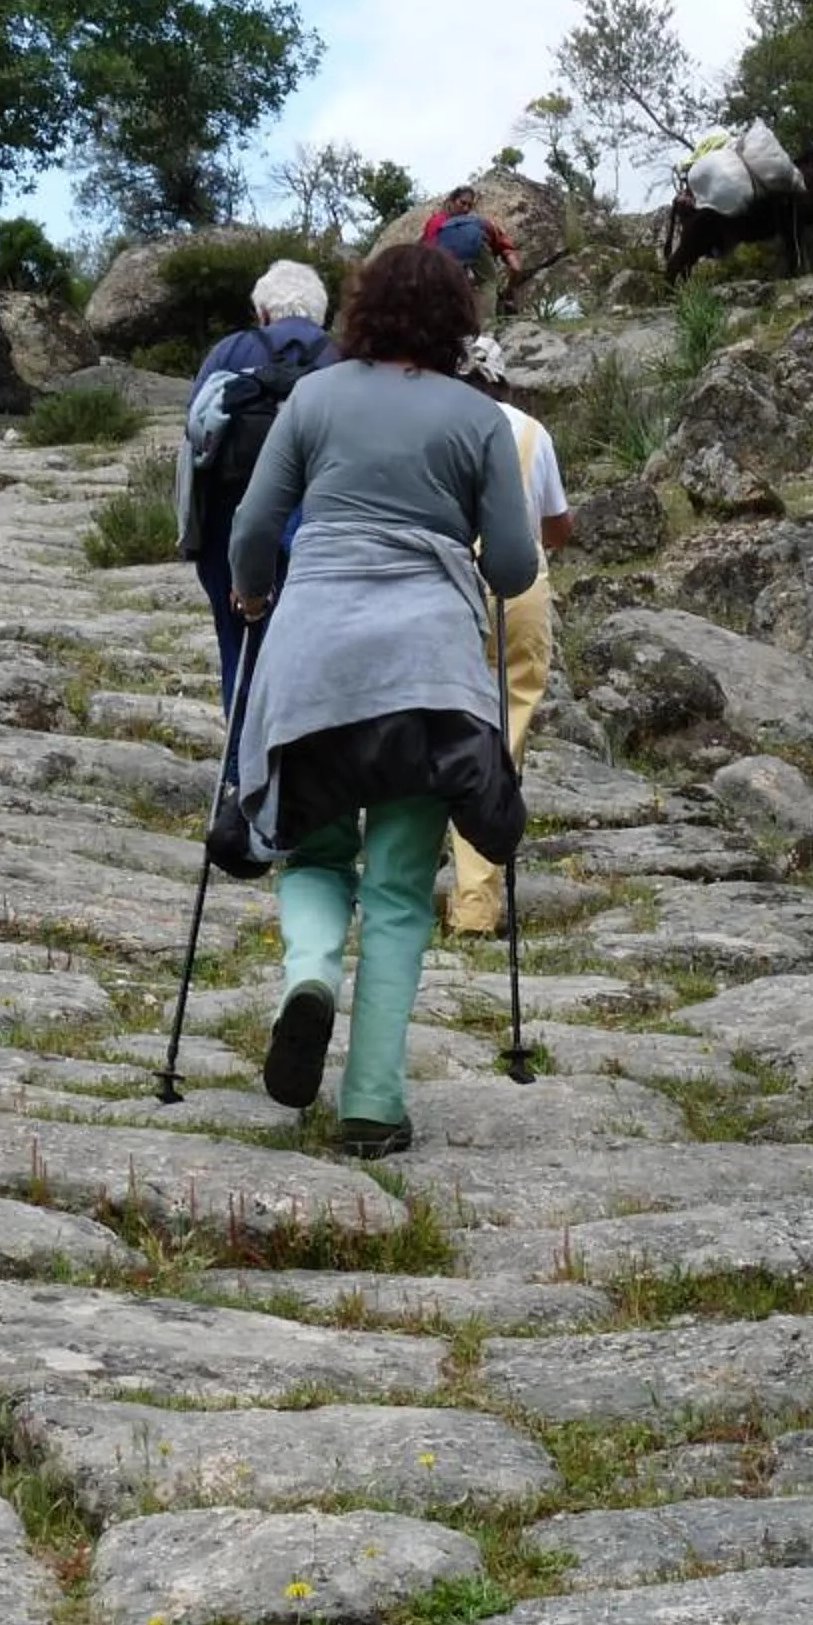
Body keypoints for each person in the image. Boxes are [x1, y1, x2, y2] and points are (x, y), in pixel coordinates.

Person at [224, 244, 540, 1159]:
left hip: (314, 661)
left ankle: (310, 977)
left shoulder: (314, 398)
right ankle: (371, 1102)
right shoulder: (477, 417)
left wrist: (252, 594)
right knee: (400, 892)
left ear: (360, 310)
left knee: (315, 852)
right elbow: (513, 566)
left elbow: (254, 525)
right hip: (427, 679)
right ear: (457, 321)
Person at [441, 333, 573, 937]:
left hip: (446, 583)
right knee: (503, 735)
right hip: (518, 590)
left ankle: (413, 871)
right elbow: (557, 525)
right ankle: (476, 902)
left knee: (438, 725)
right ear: (502, 382)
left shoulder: (436, 425)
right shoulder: (531, 432)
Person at [177, 260, 339, 713]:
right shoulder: (341, 359)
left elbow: (195, 431)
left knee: (239, 647)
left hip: (230, 523)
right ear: (319, 313)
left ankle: (241, 749)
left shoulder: (229, 351)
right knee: (311, 652)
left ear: (263, 312)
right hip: (317, 527)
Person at [419, 185, 525, 312]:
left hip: (448, 273)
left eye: (469, 205)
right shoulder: (438, 223)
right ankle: (487, 321)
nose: (465, 209)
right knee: (486, 282)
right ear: (451, 201)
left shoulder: (474, 223)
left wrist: (508, 253)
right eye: (462, 203)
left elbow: (498, 239)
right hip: (446, 271)